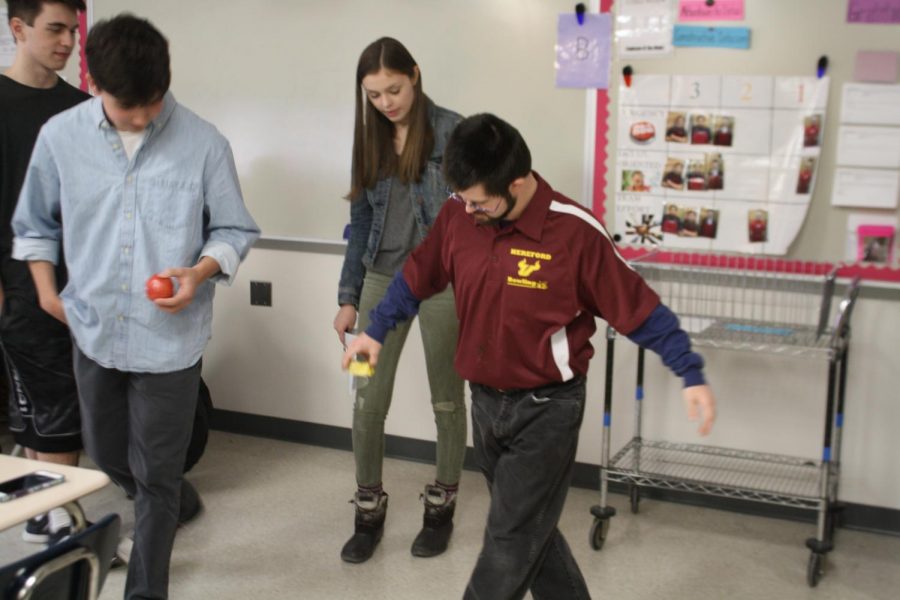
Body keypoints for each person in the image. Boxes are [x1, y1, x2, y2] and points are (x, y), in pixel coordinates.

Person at [342, 114, 716, 599]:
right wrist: (374, 331)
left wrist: (690, 371)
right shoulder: (460, 213)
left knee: (508, 542)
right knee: (528, 529)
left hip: (546, 410)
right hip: (485, 403)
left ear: (516, 184)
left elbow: (637, 308)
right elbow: (418, 275)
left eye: (479, 200)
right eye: (463, 197)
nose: (467, 209)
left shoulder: (574, 232)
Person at [12, 14, 260, 599]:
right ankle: (171, 493)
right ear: (96, 84)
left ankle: (147, 585)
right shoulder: (60, 137)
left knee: (153, 479)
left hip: (169, 342)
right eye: (130, 106)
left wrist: (200, 271)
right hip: (93, 330)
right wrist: (47, 290)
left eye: (154, 101)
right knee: (106, 454)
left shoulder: (203, 142)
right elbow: (33, 224)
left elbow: (233, 229)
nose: (146, 116)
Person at [333, 37, 466, 564]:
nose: (386, 102)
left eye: (394, 89)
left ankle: (442, 506)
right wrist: (348, 297)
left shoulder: (454, 131)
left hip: (440, 285)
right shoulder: (368, 140)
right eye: (374, 94)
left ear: (415, 75)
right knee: (366, 399)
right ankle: (368, 509)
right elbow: (361, 220)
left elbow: (473, 218)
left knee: (447, 400)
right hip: (378, 281)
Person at [0, 0, 88, 545]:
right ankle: (65, 529)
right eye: (54, 29)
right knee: (51, 406)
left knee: (47, 407)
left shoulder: (80, 107)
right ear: (18, 28)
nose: (67, 42)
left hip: (75, 285)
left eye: (72, 31)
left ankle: (44, 513)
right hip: (16, 289)